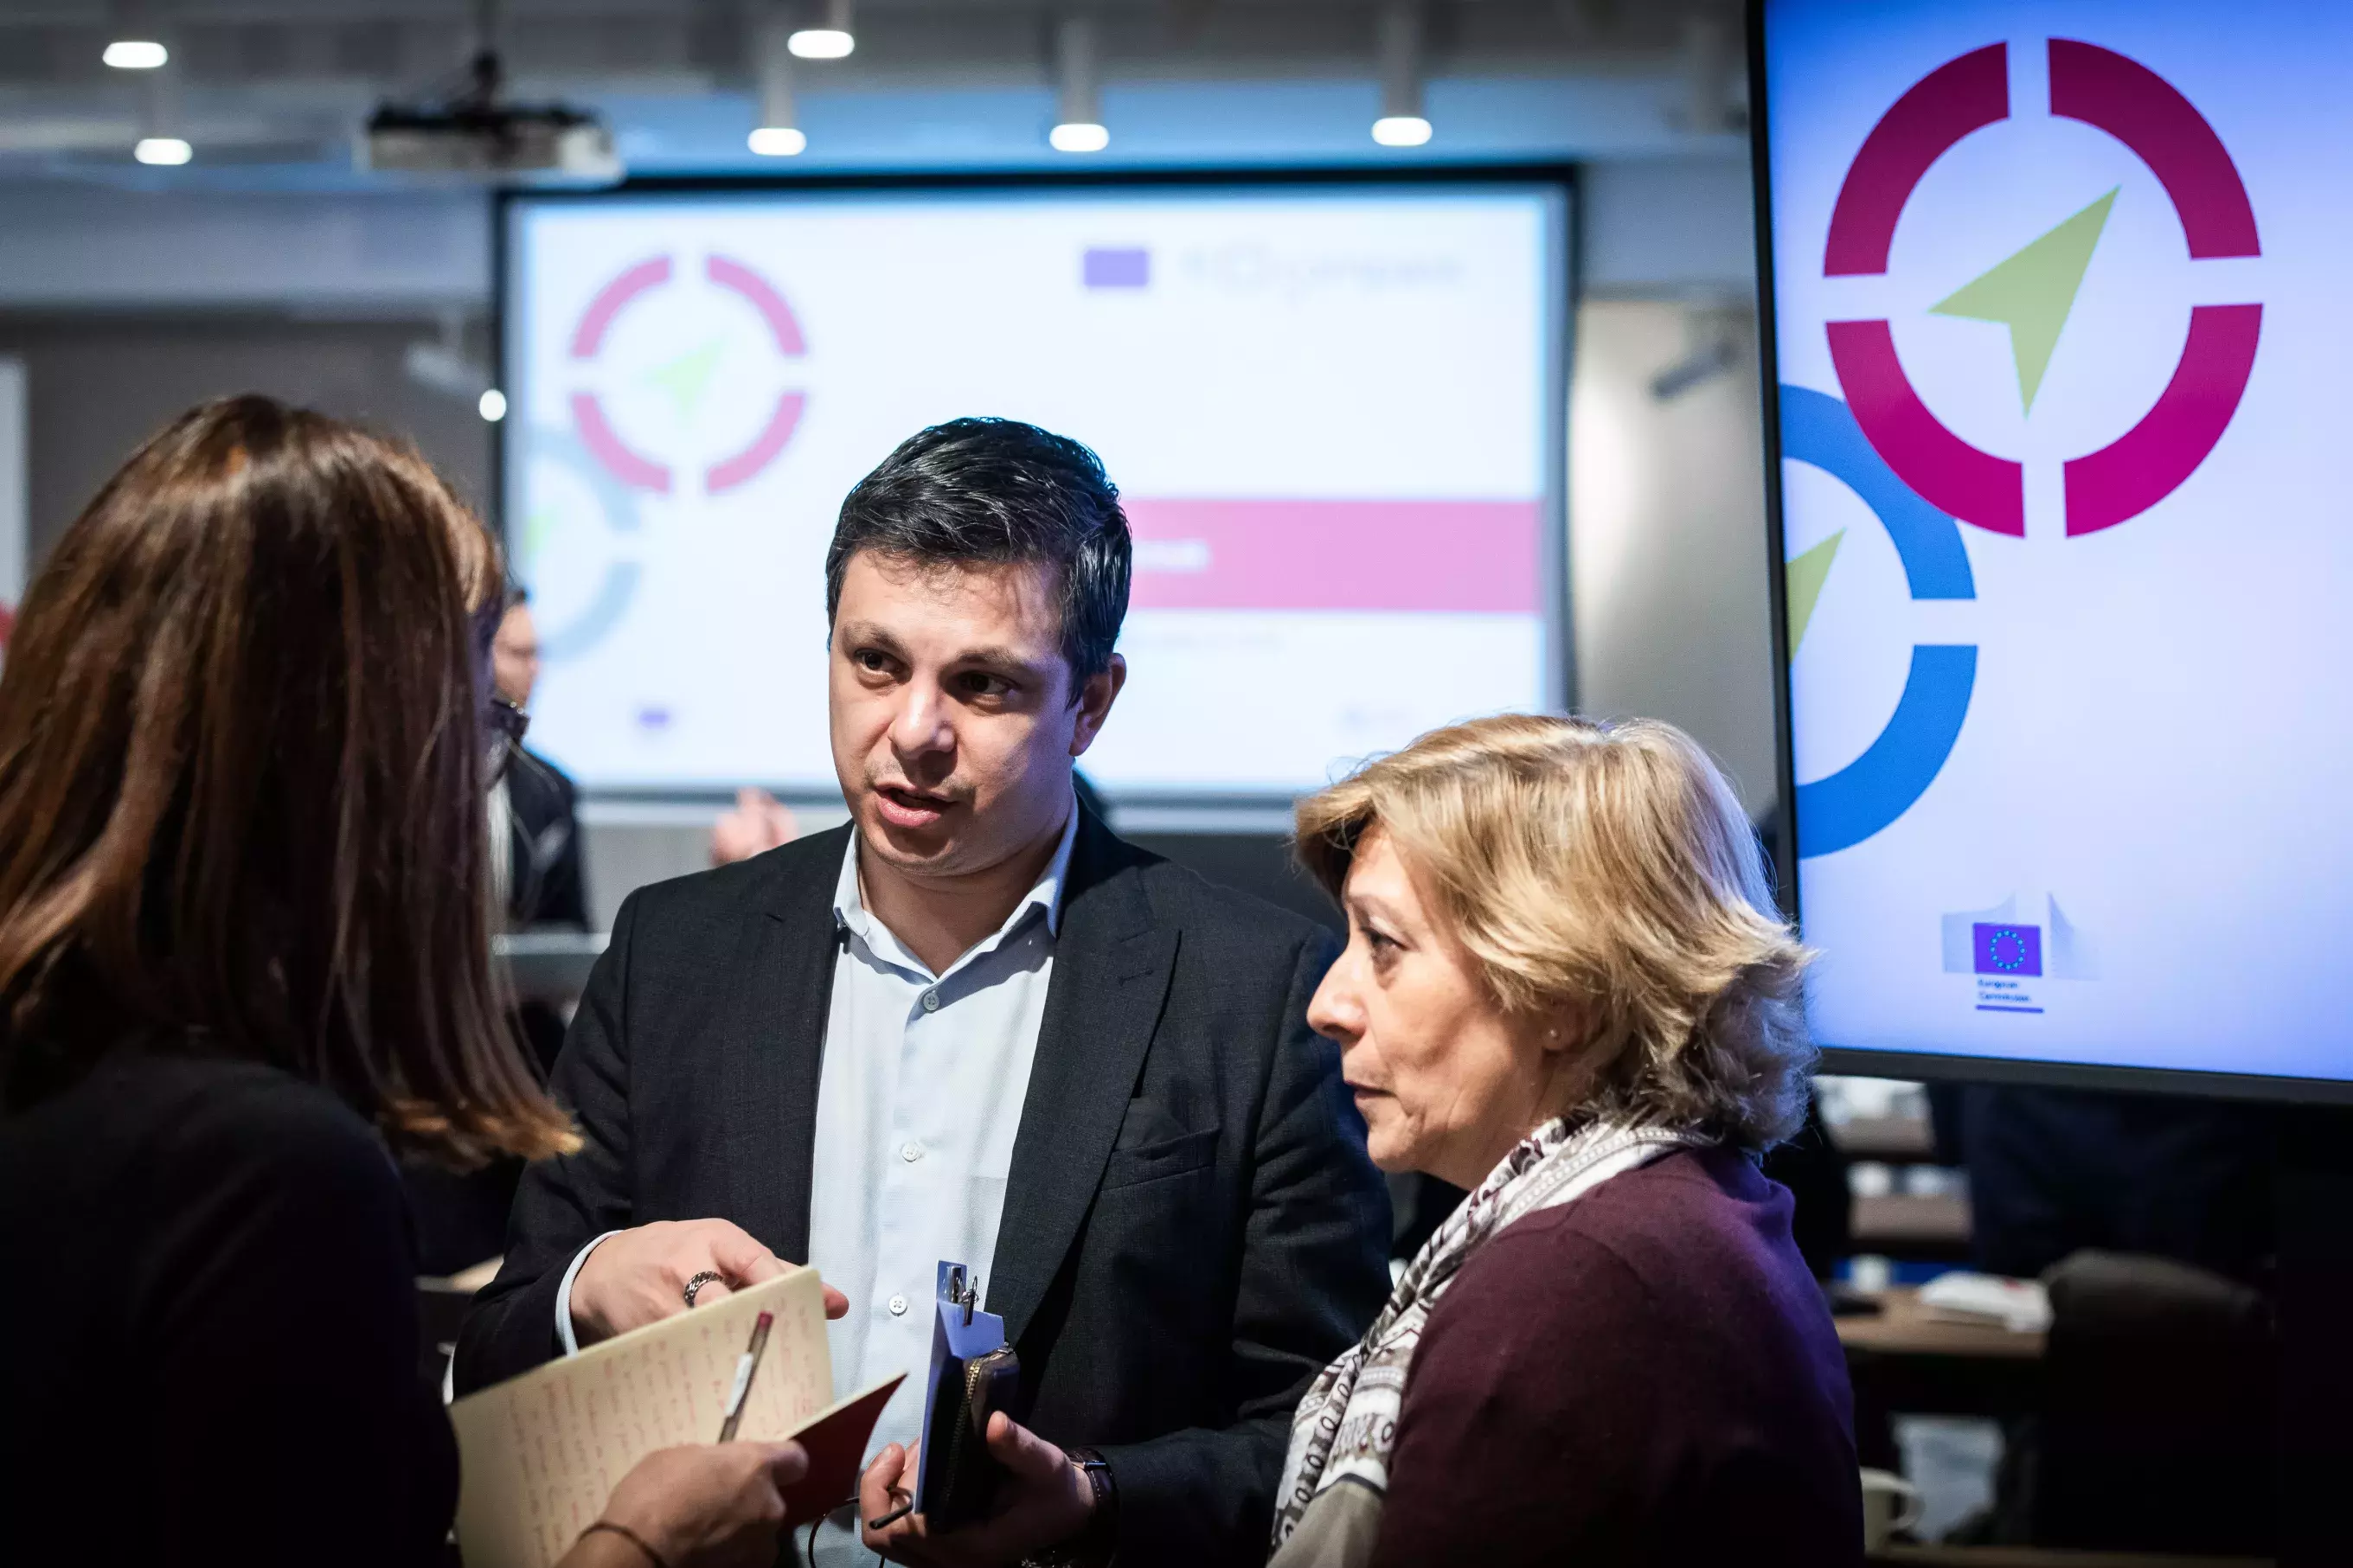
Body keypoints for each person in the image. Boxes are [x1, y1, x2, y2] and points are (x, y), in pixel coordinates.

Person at [456, 418, 1391, 1568]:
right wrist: (589, 1286)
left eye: (983, 684)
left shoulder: (1250, 990)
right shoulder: (674, 954)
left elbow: (1316, 1435)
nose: (913, 731)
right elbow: (505, 1347)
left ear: (1090, 706)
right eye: (876, 662)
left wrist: (1097, 1495)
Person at [0, 397, 816, 1568]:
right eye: (479, 720)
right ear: (350, 752)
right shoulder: (264, 1175)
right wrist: (644, 1543)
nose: (483, 780)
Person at [1270, 714, 1861, 1568]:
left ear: (1561, 998)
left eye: (1383, 945)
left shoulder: (1574, 1282)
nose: (1327, 1003)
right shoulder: (1675, 1212)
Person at [490, 585, 590, 938]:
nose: (535, 670)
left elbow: (570, 935)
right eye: (519, 654)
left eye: (537, 655)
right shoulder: (422, 782)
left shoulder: (552, 789)